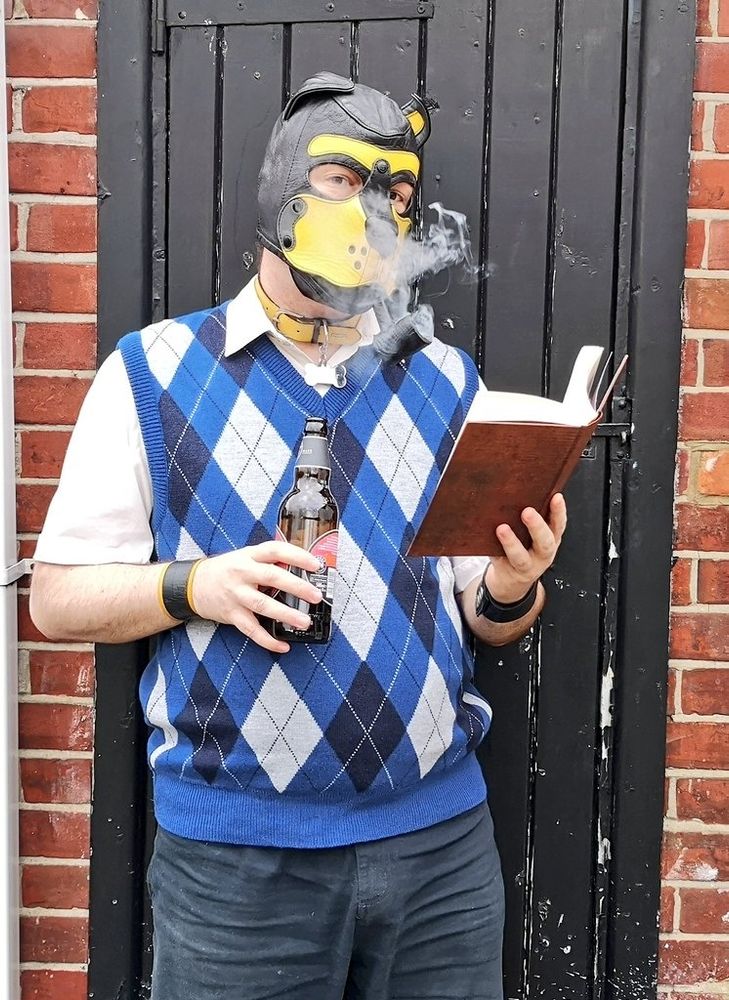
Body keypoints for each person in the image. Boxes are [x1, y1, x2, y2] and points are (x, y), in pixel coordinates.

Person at [30, 72, 567, 1000]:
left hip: (440, 855)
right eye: (341, 179)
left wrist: (513, 586)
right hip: (238, 868)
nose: (372, 211)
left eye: (395, 192)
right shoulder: (152, 373)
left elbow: (487, 623)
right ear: (283, 182)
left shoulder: (447, 379)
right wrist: (196, 586)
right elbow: (58, 596)